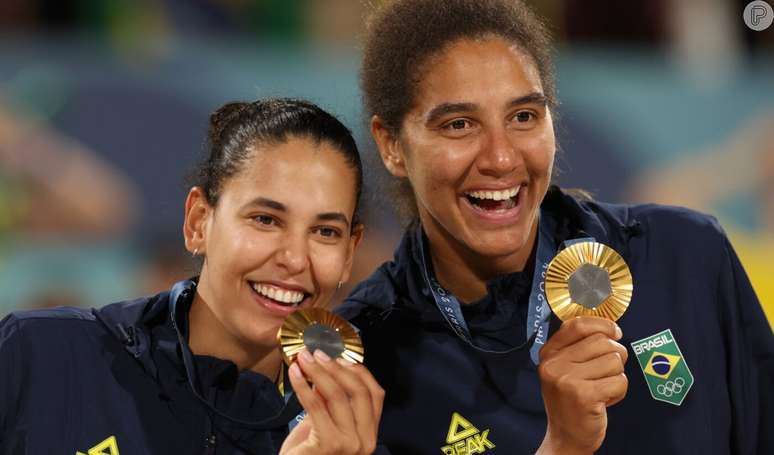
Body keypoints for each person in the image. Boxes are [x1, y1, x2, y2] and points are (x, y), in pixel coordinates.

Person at [337, 1, 774, 454]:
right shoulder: (364, 362)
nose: (502, 158)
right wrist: (563, 445)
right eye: (459, 124)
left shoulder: (686, 257)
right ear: (390, 145)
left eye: (524, 116)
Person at [0, 98, 384, 454]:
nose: (295, 259)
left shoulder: (353, 436)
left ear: (350, 252)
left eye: (325, 232)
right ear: (198, 222)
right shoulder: (41, 357)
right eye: (265, 220)